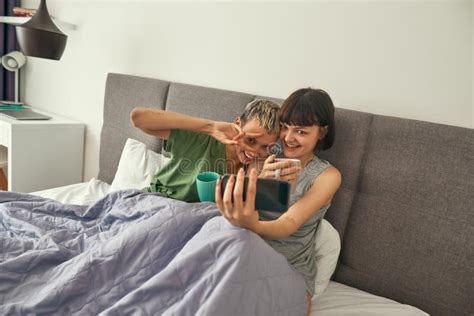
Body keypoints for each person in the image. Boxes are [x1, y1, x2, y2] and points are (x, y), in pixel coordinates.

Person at [215, 88, 341, 315]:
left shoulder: (327, 176)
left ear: (321, 133)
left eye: (301, 131)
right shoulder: (266, 155)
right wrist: (262, 179)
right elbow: (242, 200)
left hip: (289, 260)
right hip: (247, 246)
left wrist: (253, 225)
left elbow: (289, 222)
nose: (288, 138)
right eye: (285, 127)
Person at [130, 99, 281, 202]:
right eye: (250, 140)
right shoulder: (202, 137)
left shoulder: (261, 166)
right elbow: (138, 118)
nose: (254, 152)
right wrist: (210, 126)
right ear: (237, 124)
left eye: (265, 147)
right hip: (156, 202)